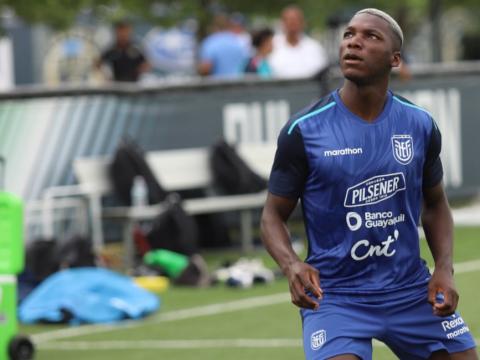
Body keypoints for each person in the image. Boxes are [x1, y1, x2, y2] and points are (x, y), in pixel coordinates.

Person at [261, 8, 477, 360]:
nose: (353, 43)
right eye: (349, 35)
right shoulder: (304, 130)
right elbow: (272, 215)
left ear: (395, 59)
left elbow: (436, 204)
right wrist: (291, 265)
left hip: (409, 290)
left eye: (370, 36)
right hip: (336, 298)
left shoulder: (419, 125)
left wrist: (443, 268)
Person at [269, 5, 328, 79]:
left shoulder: (315, 47)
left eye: (296, 20)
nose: (292, 24)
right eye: (289, 20)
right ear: (282, 23)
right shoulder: (271, 45)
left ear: (303, 23)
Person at [197, 14, 248, 78]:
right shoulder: (239, 42)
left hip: (217, 85)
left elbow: (206, 67)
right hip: (238, 84)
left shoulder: (211, 42)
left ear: (214, 26)